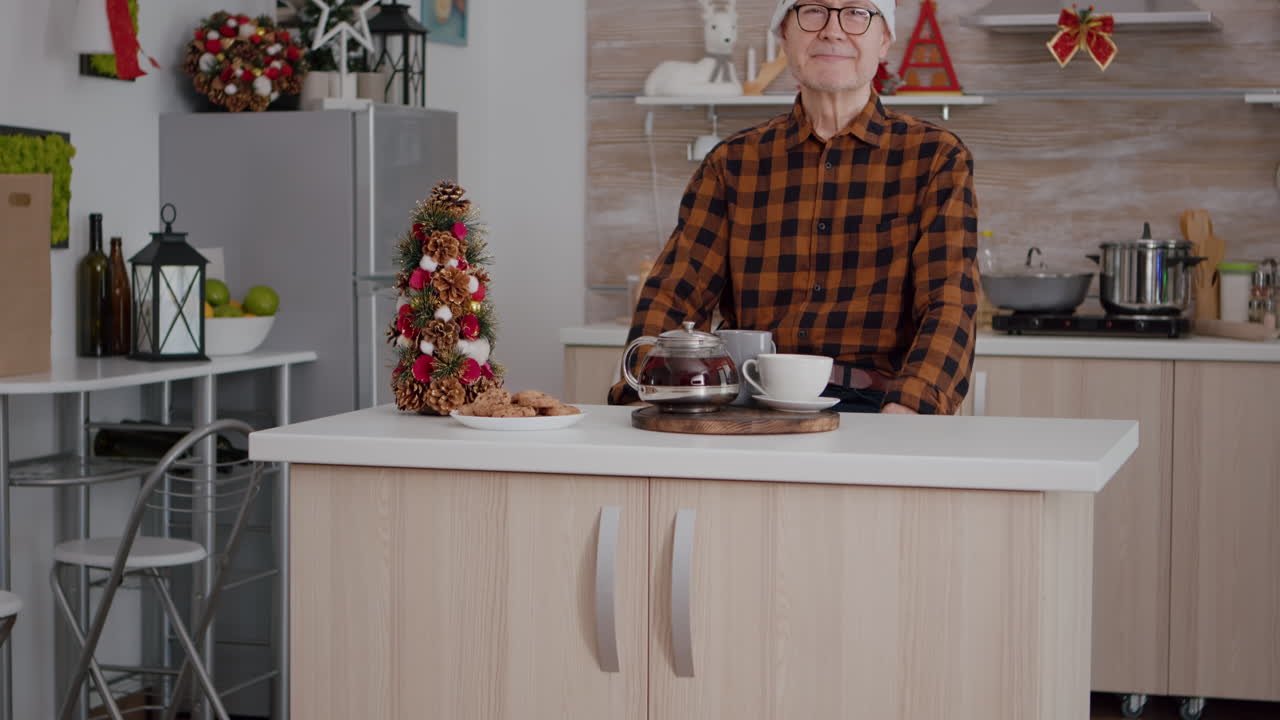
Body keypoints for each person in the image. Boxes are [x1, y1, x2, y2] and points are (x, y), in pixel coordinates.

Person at [609, 0, 978, 415]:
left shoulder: (935, 157)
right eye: (813, 10)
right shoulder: (732, 162)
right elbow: (675, 295)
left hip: (878, 409)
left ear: (884, 40)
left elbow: (950, 303)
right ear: (785, 35)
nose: (833, 30)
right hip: (747, 407)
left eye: (856, 12)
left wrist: (909, 410)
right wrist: (640, 391)